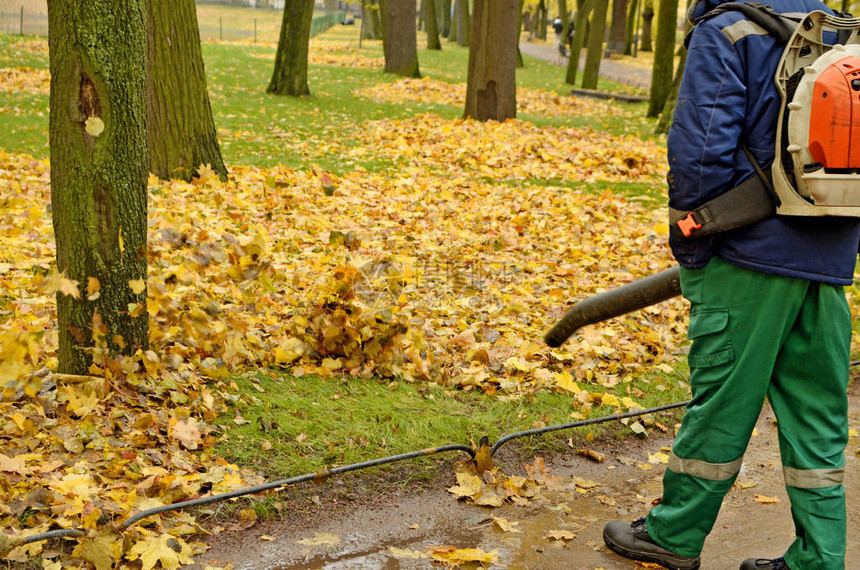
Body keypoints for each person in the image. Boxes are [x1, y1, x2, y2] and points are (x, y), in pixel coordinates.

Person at [601, 0, 860, 569]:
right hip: (829, 260)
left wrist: (694, 246)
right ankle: (819, 560)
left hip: (748, 258)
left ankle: (672, 537)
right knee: (817, 418)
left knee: (721, 404)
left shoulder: (727, 30)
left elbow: (698, 153)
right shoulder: (837, 29)